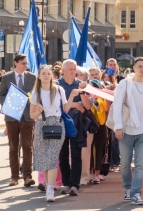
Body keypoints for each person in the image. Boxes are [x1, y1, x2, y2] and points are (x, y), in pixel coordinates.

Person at [112, 57, 143, 206]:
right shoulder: (124, 84)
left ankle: (136, 193)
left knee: (140, 164)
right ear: (134, 68)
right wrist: (118, 127)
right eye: (140, 66)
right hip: (126, 130)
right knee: (125, 164)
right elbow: (117, 105)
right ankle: (127, 188)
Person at [30, 65, 71, 202]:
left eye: (49, 73)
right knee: (44, 158)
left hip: (57, 125)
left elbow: (65, 108)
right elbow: (32, 116)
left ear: (52, 76)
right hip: (41, 124)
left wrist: (72, 98)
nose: (47, 75)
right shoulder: (36, 93)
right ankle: (48, 186)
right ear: (39, 76)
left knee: (53, 157)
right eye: (44, 73)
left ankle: (50, 190)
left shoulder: (59, 90)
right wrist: (38, 110)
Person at [0, 55, 36, 187]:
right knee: (13, 147)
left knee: (27, 146)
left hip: (27, 116)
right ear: (15, 63)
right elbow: (0, 94)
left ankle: (27, 176)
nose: (25, 65)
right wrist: (8, 103)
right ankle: (14, 177)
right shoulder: (7, 77)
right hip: (12, 116)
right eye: (23, 63)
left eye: (26, 63)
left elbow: (36, 94)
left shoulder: (32, 77)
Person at [56, 59, 92, 196]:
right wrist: (75, 105)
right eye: (70, 69)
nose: (73, 71)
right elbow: (56, 105)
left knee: (76, 155)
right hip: (61, 122)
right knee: (63, 155)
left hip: (77, 124)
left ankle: (75, 184)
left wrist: (82, 93)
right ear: (63, 71)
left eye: (74, 69)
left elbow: (88, 107)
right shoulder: (57, 85)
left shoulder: (81, 85)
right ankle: (66, 183)